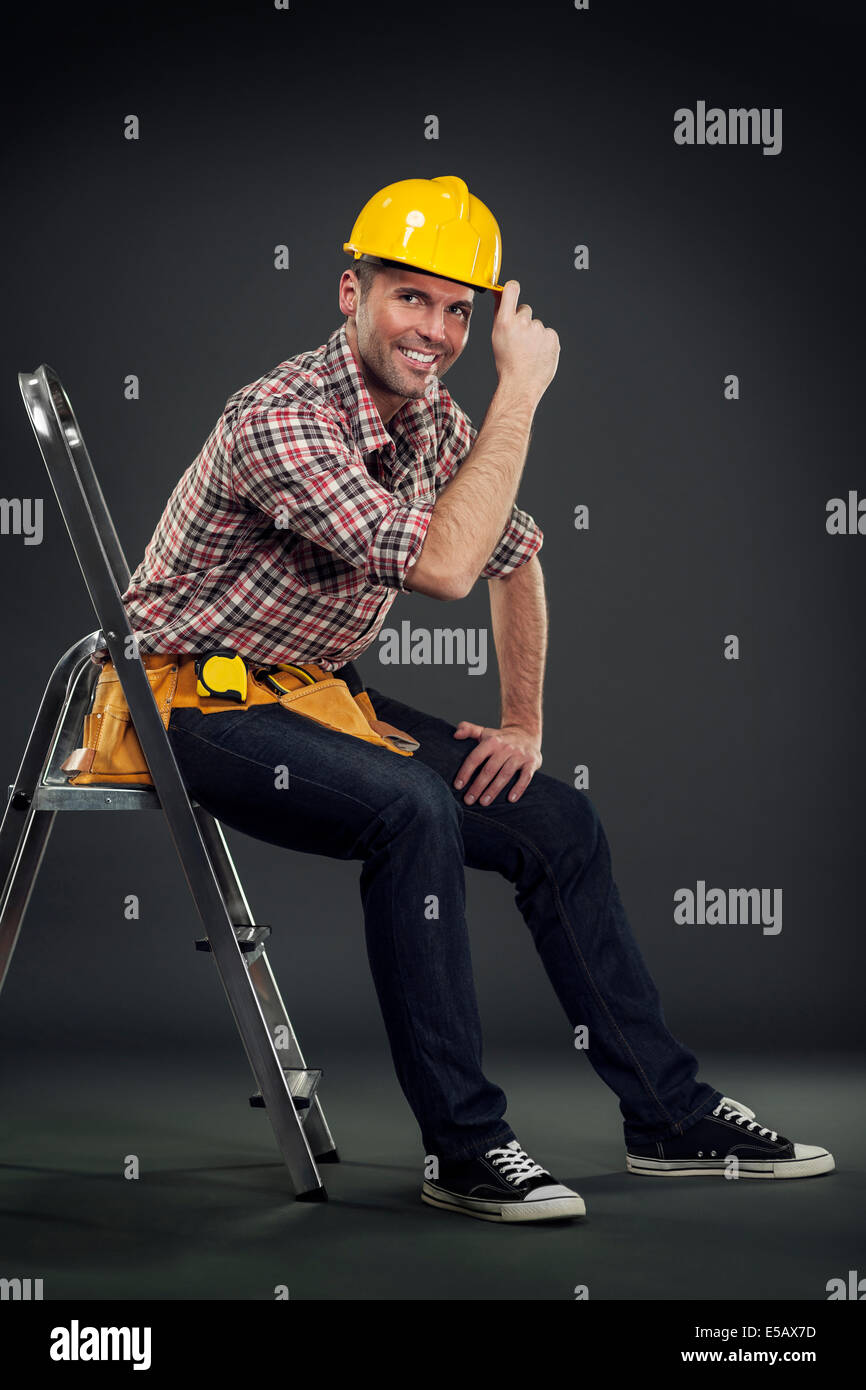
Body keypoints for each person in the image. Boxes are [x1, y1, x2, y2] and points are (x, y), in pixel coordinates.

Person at [114, 176, 834, 1222]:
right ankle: (464, 1146)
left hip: (316, 696)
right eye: (412, 298)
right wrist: (523, 393)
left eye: (459, 309)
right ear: (349, 291)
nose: (439, 331)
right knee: (413, 808)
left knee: (558, 820)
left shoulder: (432, 424)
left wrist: (524, 725)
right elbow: (447, 568)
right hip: (194, 705)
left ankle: (666, 1116)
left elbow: (514, 553)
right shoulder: (281, 418)